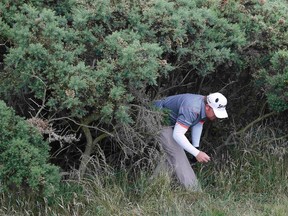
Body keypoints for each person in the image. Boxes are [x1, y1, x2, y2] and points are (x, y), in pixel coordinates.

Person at [153, 92, 228, 190]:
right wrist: (196, 153)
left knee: (170, 155)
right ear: (208, 107)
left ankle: (153, 185)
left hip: (168, 121)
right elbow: (177, 135)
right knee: (177, 152)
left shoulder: (203, 106)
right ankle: (194, 192)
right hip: (157, 117)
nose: (217, 116)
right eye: (216, 112)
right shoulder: (192, 108)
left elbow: (198, 123)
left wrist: (195, 147)